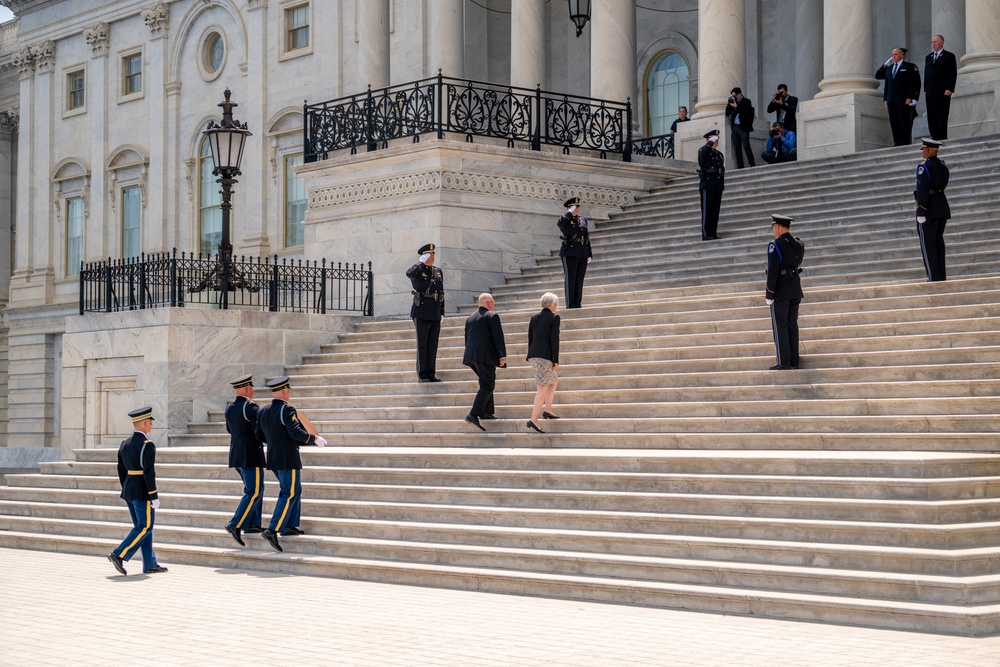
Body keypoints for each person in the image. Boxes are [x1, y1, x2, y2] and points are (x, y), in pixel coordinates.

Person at [255, 376, 327, 552]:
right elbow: (295, 432)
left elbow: (259, 435)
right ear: (285, 391)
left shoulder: (263, 411)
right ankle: (273, 529)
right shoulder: (287, 410)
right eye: (288, 391)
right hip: (287, 458)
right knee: (289, 492)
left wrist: (276, 444)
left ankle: (289, 525)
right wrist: (314, 439)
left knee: (295, 489)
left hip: (273, 457)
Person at [107, 406, 167, 576]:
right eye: (150, 423)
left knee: (142, 527)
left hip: (129, 489)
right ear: (145, 423)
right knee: (145, 526)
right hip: (142, 491)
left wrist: (126, 487)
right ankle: (119, 554)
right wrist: (153, 495)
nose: (151, 427)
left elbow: (120, 469)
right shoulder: (147, 445)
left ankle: (150, 563)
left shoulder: (124, 443)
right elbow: (149, 472)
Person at [223, 374, 265, 547]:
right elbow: (258, 432)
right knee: (253, 491)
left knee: (257, 488)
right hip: (250, 455)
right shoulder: (251, 408)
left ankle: (252, 524)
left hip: (237, 454)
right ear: (248, 389)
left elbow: (229, 430)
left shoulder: (229, 408)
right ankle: (236, 524)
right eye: (252, 388)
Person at [765, 215, 805, 371]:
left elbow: (773, 272)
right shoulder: (799, 243)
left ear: (777, 227)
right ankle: (794, 360)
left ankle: (784, 361)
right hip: (795, 288)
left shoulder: (775, 245)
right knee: (792, 325)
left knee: (781, 325)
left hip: (780, 291)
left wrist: (769, 294)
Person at [462, 293, 507, 432]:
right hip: (485, 356)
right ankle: (473, 414)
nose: (493, 304)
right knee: (487, 384)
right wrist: (502, 355)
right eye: (493, 302)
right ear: (488, 303)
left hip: (471, 356)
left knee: (486, 380)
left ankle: (486, 412)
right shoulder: (492, 316)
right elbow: (498, 337)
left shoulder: (470, 318)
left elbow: (466, 338)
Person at [405, 242, 445, 382]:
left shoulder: (437, 271)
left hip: (434, 311)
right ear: (423, 256)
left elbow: (441, 292)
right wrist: (420, 263)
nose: (433, 256)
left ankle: (431, 373)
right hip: (421, 311)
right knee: (422, 344)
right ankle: (422, 374)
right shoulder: (417, 270)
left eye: (433, 254)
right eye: (430, 254)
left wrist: (442, 312)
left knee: (432, 344)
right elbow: (409, 274)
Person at [914, 137, 951, 282]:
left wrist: (921, 211)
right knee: (938, 242)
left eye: (924, 149)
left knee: (928, 244)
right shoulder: (943, 166)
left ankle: (933, 277)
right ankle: (941, 276)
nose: (923, 152)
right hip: (941, 207)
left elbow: (922, 190)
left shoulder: (924, 167)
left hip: (928, 209)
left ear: (928, 150)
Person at [526, 292, 561, 433]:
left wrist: (530, 354)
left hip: (534, 355)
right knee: (542, 388)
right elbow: (554, 340)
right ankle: (533, 419)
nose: (557, 307)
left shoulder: (534, 318)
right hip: (545, 357)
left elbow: (530, 338)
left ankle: (548, 410)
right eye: (556, 304)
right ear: (553, 305)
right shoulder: (554, 318)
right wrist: (555, 359)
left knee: (553, 381)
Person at [875, 47, 922, 146]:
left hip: (904, 100)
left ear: (902, 55)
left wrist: (912, 97)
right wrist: (886, 99)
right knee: (894, 123)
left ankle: (905, 142)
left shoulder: (910, 66)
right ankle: (897, 142)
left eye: (896, 54)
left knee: (904, 122)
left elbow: (915, 83)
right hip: (891, 100)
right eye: (892, 54)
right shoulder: (890, 68)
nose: (893, 56)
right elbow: (879, 76)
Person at [557, 197, 592, 309]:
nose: (576, 209)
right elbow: (560, 224)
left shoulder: (582, 220)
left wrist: (589, 253)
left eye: (577, 207)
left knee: (579, 279)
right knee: (570, 279)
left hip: (582, 252)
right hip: (570, 252)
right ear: (569, 208)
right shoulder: (565, 219)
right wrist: (569, 212)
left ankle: (577, 303)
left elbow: (586, 237)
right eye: (574, 207)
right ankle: (570, 304)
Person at [924, 35, 958, 140]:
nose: (933, 44)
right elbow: (927, 74)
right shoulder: (928, 57)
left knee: (941, 114)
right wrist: (925, 89)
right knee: (931, 115)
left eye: (935, 42)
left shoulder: (949, 56)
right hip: (930, 91)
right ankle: (934, 137)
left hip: (942, 91)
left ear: (941, 43)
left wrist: (949, 88)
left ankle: (942, 137)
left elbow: (952, 73)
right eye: (932, 42)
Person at [697, 129, 725, 240]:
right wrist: (709, 143)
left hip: (717, 184)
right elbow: (702, 157)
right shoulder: (703, 150)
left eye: (717, 139)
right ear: (708, 140)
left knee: (715, 210)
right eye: (714, 139)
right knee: (707, 209)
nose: (716, 141)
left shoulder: (719, 154)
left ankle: (713, 233)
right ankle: (706, 233)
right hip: (707, 184)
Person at [724, 86, 755, 168]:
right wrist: (729, 103)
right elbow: (727, 113)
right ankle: (740, 166)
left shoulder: (746, 101)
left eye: (735, 95)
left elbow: (746, 113)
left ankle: (752, 164)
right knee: (737, 148)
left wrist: (736, 106)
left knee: (746, 146)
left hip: (743, 127)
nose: (735, 97)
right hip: (735, 127)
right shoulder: (733, 102)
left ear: (740, 93)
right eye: (733, 95)